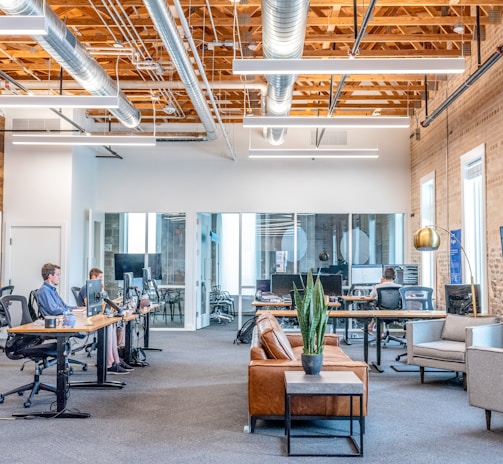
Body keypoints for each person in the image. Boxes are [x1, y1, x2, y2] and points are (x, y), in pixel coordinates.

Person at [79, 267, 133, 374]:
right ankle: (109, 363)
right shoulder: (87, 288)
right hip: (89, 320)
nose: (101, 281)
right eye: (99, 278)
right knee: (109, 326)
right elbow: (89, 305)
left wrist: (103, 292)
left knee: (117, 323)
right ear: (93, 277)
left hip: (98, 316)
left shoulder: (99, 288)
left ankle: (116, 359)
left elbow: (106, 304)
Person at [368, 267, 402, 333]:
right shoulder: (400, 287)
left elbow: (371, 296)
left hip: (382, 313)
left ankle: (378, 334)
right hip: (395, 313)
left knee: (377, 309)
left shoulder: (378, 287)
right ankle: (371, 327)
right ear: (394, 277)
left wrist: (380, 284)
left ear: (384, 276)